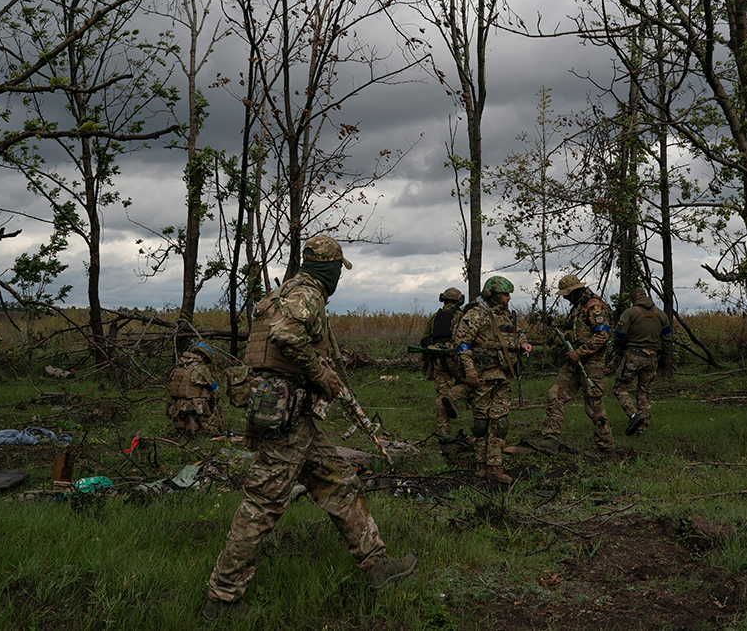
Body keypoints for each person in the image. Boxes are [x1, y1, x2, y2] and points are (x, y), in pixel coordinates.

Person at [203, 236, 416, 620]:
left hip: (292, 416)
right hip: (288, 417)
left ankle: (376, 564)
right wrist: (319, 371)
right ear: (329, 267)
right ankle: (222, 599)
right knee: (262, 505)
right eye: (338, 268)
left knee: (339, 484)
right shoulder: (307, 293)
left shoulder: (285, 291)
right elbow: (285, 335)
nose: (338, 276)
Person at [524, 274, 618, 461]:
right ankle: (550, 439)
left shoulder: (594, 306)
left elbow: (602, 336)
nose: (565, 297)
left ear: (576, 291)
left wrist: (580, 352)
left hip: (591, 363)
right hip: (573, 362)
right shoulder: (578, 308)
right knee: (555, 394)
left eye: (567, 294)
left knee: (594, 405)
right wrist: (563, 337)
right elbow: (577, 331)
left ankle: (606, 448)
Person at [452, 276, 533, 484]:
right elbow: (462, 344)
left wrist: (523, 343)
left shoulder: (505, 315)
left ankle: (495, 466)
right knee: (480, 423)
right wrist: (470, 371)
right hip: (481, 377)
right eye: (505, 294)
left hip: (502, 376)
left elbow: (517, 332)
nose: (508, 298)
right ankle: (481, 465)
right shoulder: (476, 314)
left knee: (500, 423)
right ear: (492, 295)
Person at [611, 286, 673, 436]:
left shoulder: (630, 313)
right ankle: (642, 429)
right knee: (644, 393)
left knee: (620, 388)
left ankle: (634, 415)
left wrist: (618, 348)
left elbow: (619, 335)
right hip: (651, 358)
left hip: (633, 356)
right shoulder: (661, 315)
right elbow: (667, 339)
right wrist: (664, 357)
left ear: (633, 299)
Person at [420, 286, 468, 435]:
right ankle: (452, 396)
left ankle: (443, 430)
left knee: (441, 393)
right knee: (469, 384)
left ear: (443, 299)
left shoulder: (434, 317)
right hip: (457, 358)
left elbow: (425, 341)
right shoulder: (463, 317)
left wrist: (426, 363)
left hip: (438, 359)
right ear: (459, 300)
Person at [165, 341, 222, 436]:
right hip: (194, 414)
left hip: (178, 415)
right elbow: (215, 392)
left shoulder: (178, 367)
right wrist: (212, 406)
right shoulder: (200, 369)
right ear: (203, 357)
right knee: (216, 427)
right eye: (206, 361)